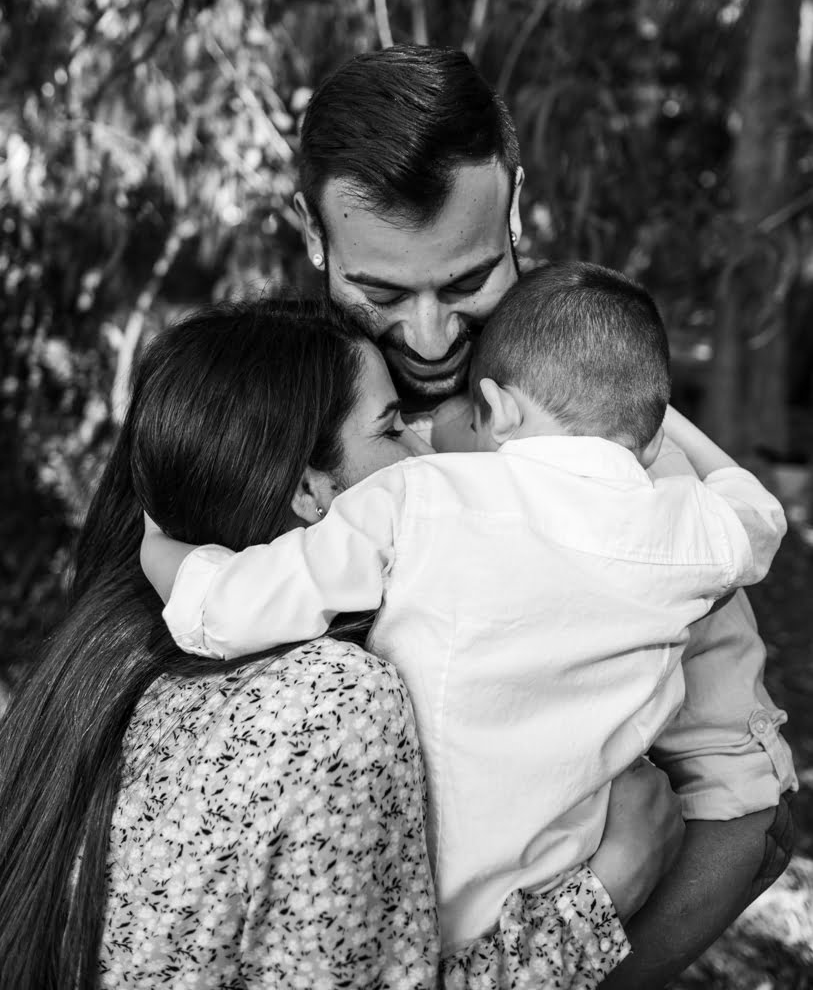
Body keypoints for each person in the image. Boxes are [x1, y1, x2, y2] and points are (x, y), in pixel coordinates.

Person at [291, 44, 797, 985]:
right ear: (311, 232)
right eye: (381, 292)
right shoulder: (256, 399)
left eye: (466, 281)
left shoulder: (614, 438)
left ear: (515, 206)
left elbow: (741, 807)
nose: (429, 336)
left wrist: (589, 955)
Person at [0, 298, 681, 990]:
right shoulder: (333, 699)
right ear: (310, 489)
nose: (426, 452)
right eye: (391, 429)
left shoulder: (108, 659)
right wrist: (608, 889)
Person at [147, 262, 788, 954]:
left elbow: (228, 608)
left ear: (499, 409)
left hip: (410, 898)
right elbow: (759, 513)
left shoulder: (420, 496)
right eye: (397, 425)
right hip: (557, 905)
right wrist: (655, 420)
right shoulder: (685, 531)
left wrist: (155, 542)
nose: (429, 437)